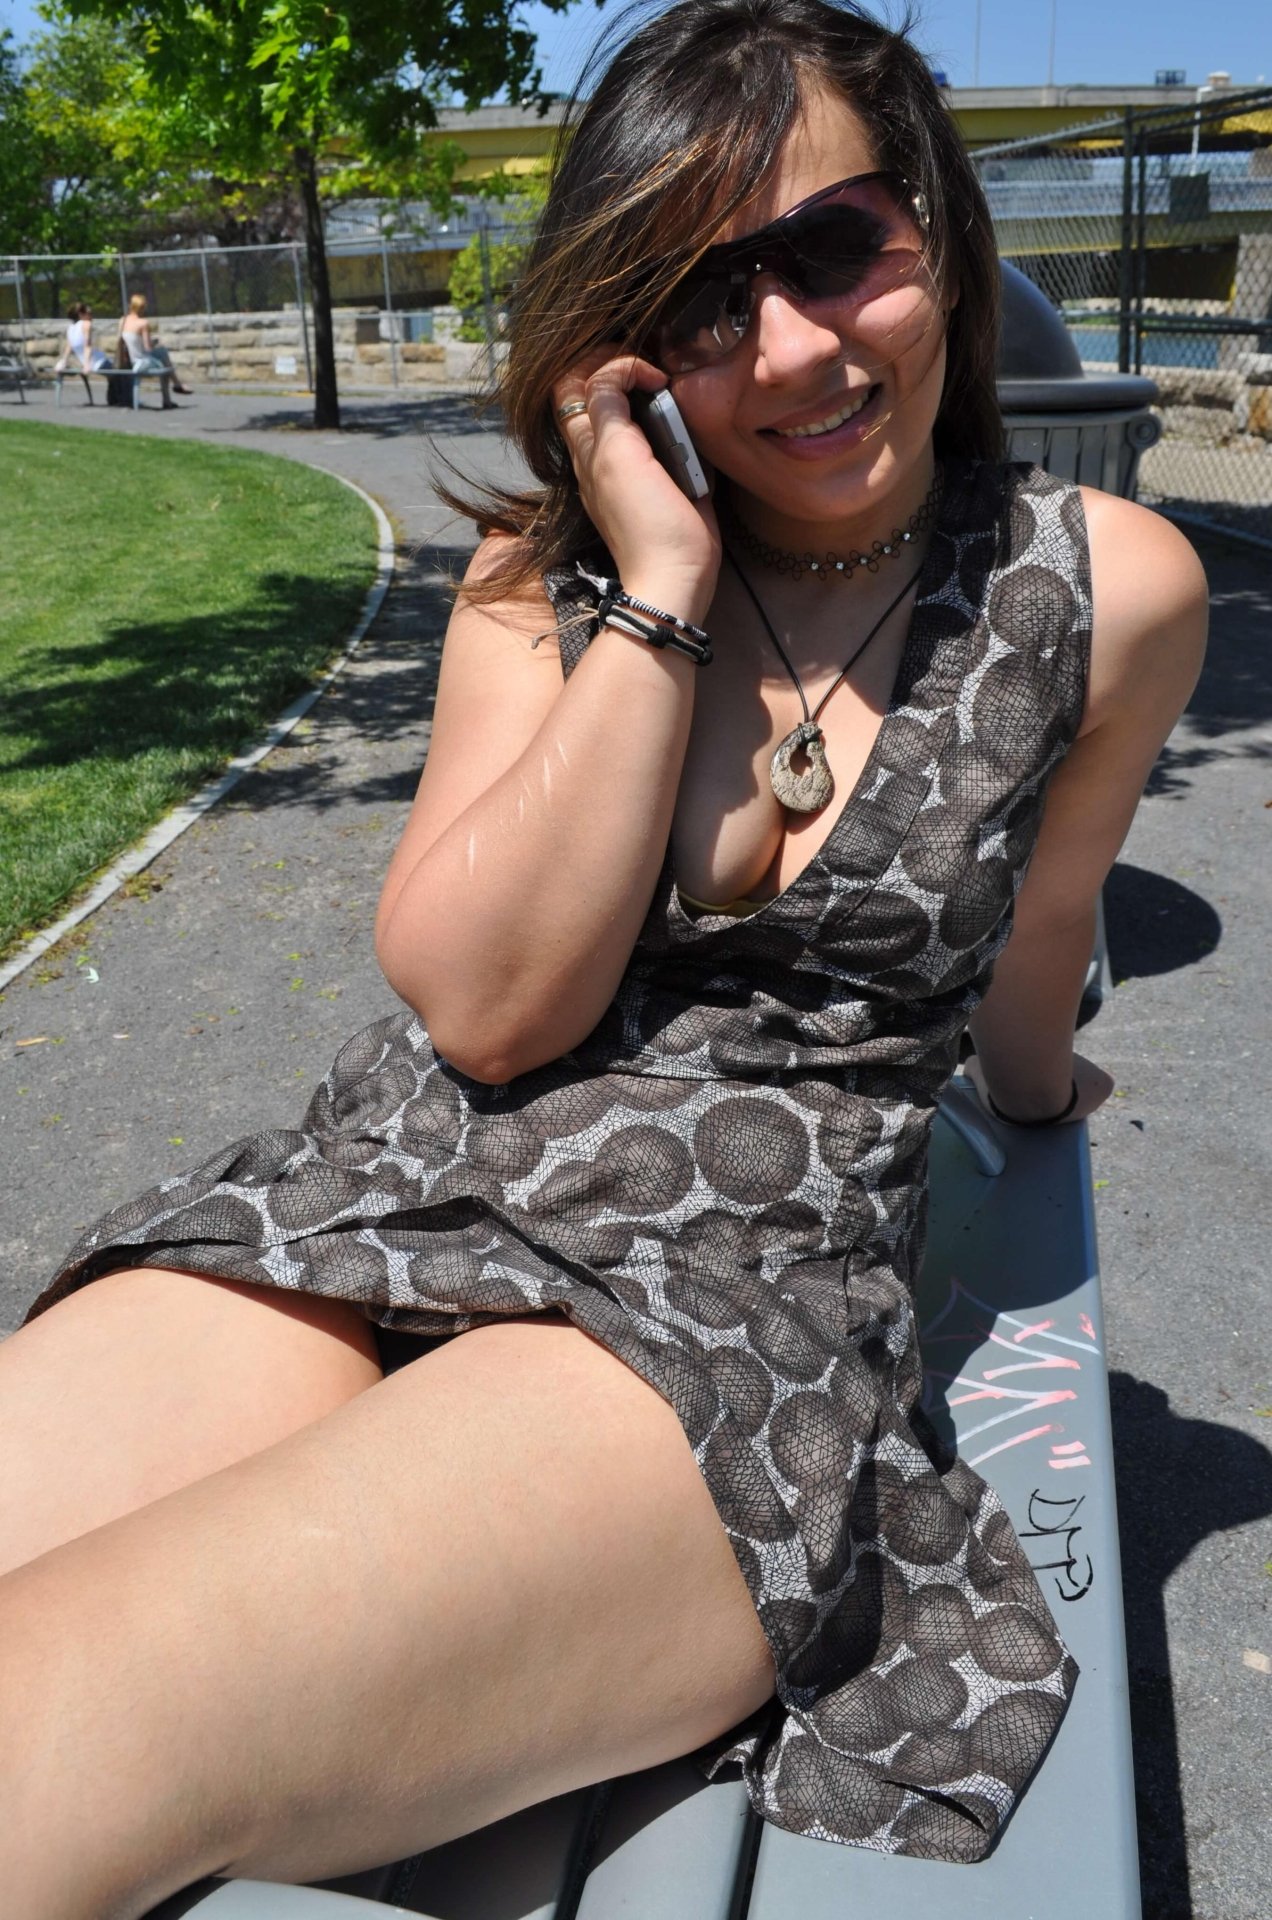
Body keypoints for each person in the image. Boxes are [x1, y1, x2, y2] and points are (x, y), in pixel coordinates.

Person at [0, 0, 1206, 1912]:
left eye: (835, 247)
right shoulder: (542, 584)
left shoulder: (1109, 591)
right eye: (704, 301)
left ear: (939, 228)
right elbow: (489, 1016)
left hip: (727, 1306)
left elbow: (1039, 937)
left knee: (52, 1714)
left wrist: (1038, 1113)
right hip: (391, 1192)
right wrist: (657, 591)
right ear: (620, 345)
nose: (791, 348)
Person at [118, 291, 192, 404]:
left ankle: (177, 384)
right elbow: (148, 348)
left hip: (128, 361)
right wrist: (154, 342)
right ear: (142, 308)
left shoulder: (122, 321)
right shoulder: (143, 323)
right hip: (141, 362)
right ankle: (169, 397)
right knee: (165, 363)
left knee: (162, 353)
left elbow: (123, 341)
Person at [52, 300, 111, 378]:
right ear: (81, 314)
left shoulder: (70, 328)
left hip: (92, 363)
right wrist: (87, 364)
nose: (91, 316)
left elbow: (69, 347)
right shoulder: (86, 324)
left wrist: (63, 361)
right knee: (123, 372)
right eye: (89, 313)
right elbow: (87, 346)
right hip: (99, 362)